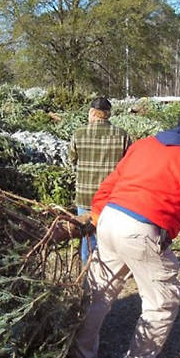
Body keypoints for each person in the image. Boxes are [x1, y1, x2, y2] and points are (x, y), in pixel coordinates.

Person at [68, 107, 180, 358]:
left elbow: (110, 183)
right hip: (142, 229)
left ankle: (80, 352)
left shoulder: (144, 144)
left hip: (110, 220)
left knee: (98, 293)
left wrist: (99, 212)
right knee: (162, 301)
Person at [69, 97, 131, 263]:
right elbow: (129, 164)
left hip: (85, 195)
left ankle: (88, 274)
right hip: (112, 197)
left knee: (87, 236)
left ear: (91, 112)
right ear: (108, 114)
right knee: (111, 235)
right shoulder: (122, 135)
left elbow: (72, 159)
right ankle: (113, 269)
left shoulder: (79, 134)